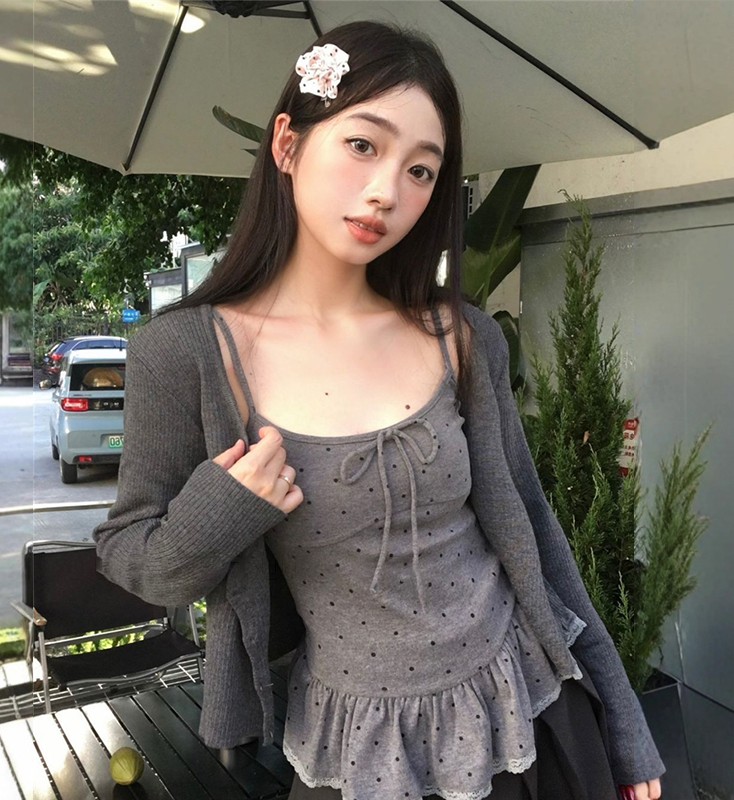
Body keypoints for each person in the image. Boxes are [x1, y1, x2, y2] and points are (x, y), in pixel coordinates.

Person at [92, 20, 664, 800]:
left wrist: (627, 726)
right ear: (288, 143)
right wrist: (224, 506)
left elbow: (533, 529)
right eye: (363, 144)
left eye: (421, 169)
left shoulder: (458, 337)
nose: (388, 192)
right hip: (360, 753)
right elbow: (135, 559)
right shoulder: (186, 352)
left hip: (529, 714)